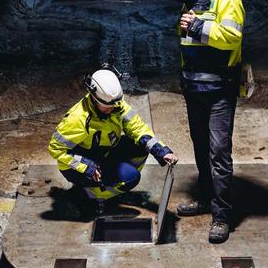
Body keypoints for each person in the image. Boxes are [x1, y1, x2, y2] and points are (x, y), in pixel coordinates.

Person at [164, 0, 244, 243]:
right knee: (200, 147)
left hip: (219, 89)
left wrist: (197, 27)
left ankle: (222, 215)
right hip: (194, 87)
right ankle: (205, 197)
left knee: (219, 152)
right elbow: (186, 43)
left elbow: (233, 37)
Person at [48, 68, 179, 215]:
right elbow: (56, 148)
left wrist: (161, 151)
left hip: (101, 152)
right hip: (77, 164)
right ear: (94, 98)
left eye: (114, 105)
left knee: (141, 146)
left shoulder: (115, 104)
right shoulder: (78, 119)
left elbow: (137, 128)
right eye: (107, 106)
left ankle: (107, 187)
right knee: (131, 178)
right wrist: (86, 166)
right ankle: (90, 195)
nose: (112, 109)